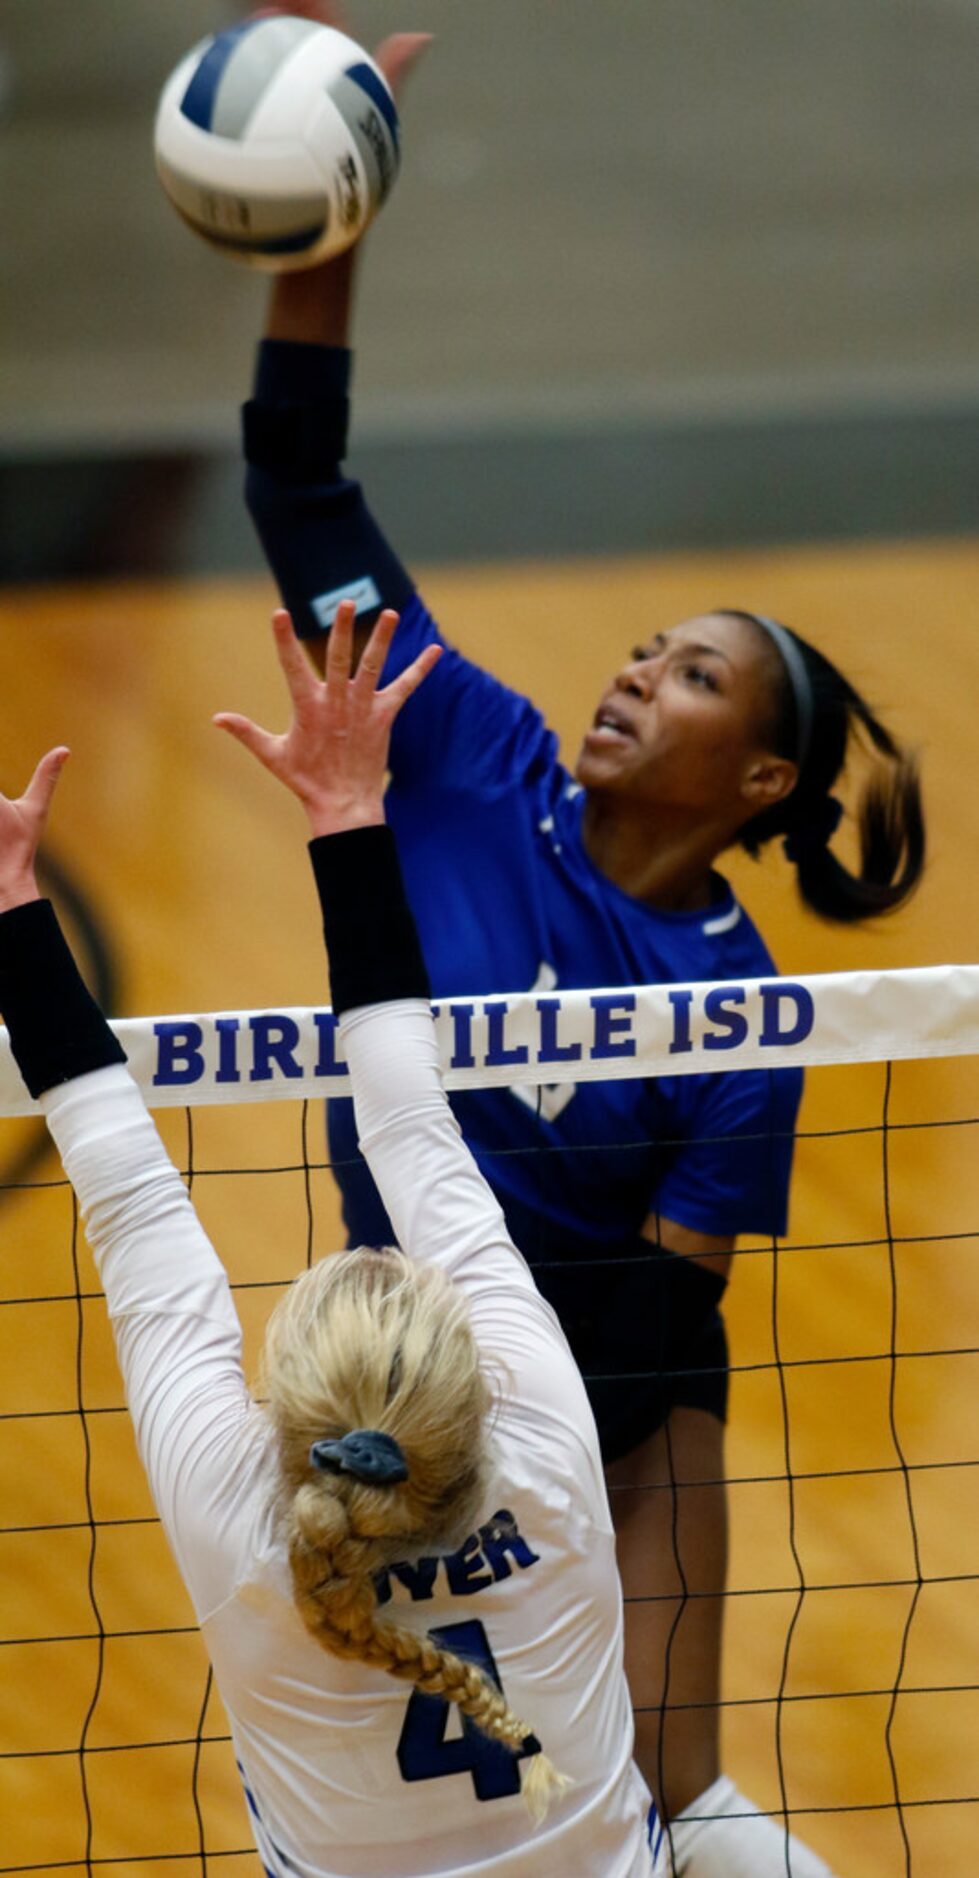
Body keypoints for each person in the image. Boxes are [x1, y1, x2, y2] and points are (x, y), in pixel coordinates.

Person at [237, 19, 925, 1873]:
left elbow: (652, 1312)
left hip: (582, 1419)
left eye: (690, 673)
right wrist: (329, 209)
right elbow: (301, 489)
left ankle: (689, 1808)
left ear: (757, 770)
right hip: (376, 1377)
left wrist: (519, 1465)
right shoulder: (467, 750)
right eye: (642, 646)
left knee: (648, 1774)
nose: (637, 670)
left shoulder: (743, 1008)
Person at [0, 603, 666, 1877]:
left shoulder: (260, 1531)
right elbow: (411, 1134)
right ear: (469, 1383)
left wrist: (10, 905)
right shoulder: (544, 1451)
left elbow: (138, 1200)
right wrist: (346, 810)